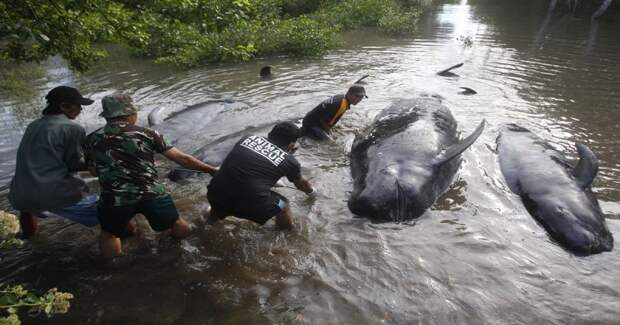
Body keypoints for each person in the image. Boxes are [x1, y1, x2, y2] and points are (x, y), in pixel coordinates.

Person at [84, 94, 218, 259]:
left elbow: (93, 171)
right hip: (150, 193)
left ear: (107, 116)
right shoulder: (148, 134)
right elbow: (182, 159)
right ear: (130, 114)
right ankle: (183, 252)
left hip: (114, 198)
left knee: (109, 235)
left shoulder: (91, 140)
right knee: (176, 223)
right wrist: (210, 170)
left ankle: (111, 268)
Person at [9, 86, 99, 237]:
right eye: (78, 105)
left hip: (20, 191)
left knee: (27, 210)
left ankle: (30, 241)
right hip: (54, 192)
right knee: (111, 217)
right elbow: (73, 165)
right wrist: (96, 163)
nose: (80, 110)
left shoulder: (34, 125)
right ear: (64, 106)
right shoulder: (73, 128)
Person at [206, 122, 314, 230]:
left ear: (270, 133)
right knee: (283, 205)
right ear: (291, 144)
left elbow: (248, 166)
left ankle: (209, 221)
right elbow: (301, 184)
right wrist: (312, 193)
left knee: (224, 188)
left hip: (214, 194)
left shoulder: (247, 138)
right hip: (248, 206)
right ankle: (286, 233)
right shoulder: (290, 161)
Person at [301, 84, 367, 141]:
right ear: (349, 94)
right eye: (357, 96)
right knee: (330, 143)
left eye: (361, 97)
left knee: (337, 131)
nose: (359, 99)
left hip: (311, 119)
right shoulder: (341, 104)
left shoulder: (342, 98)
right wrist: (331, 135)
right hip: (311, 125)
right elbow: (324, 122)